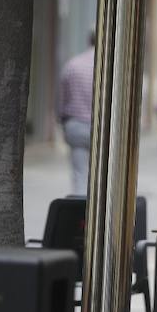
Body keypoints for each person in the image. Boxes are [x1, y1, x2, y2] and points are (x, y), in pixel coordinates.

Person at [58, 31, 96, 195]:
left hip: (76, 126)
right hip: (103, 129)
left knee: (80, 175)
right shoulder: (112, 66)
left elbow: (61, 100)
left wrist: (62, 122)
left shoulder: (73, 65)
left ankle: (82, 215)